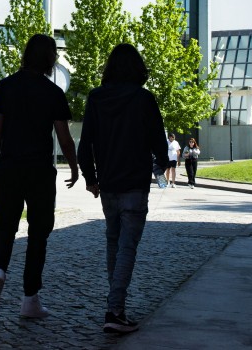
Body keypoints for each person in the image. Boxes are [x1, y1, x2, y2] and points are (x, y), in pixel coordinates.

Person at [0, 34, 79, 318]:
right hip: (40, 173)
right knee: (38, 234)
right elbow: (64, 138)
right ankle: (30, 299)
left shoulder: (5, 86)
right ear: (49, 60)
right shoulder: (53, 93)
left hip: (10, 168)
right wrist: (74, 167)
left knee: (5, 226)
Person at [77, 43, 167, 334]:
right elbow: (159, 142)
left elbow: (85, 143)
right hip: (135, 184)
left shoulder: (96, 97)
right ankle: (114, 310)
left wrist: (90, 178)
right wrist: (161, 166)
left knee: (113, 242)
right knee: (126, 246)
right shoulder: (144, 99)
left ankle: (117, 308)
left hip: (109, 184)